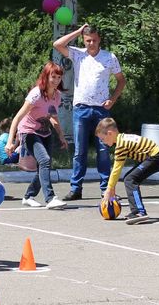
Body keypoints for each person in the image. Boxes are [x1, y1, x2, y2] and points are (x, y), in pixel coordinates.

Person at [53, 22, 127, 201]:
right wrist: (78, 31)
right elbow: (57, 44)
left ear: (99, 39)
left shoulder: (109, 57)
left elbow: (121, 80)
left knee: (103, 149)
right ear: (83, 40)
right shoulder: (79, 55)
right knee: (80, 150)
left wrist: (113, 99)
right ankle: (76, 188)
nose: (91, 44)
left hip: (101, 109)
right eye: (87, 40)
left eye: (94, 40)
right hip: (81, 108)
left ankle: (105, 188)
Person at [4, 62, 69, 208]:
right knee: (45, 160)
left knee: (44, 166)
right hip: (28, 132)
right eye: (53, 77)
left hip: (45, 133)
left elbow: (53, 116)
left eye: (59, 77)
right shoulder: (36, 94)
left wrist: (61, 136)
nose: (56, 80)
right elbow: (17, 118)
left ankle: (29, 196)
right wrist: (10, 142)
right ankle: (50, 198)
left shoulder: (57, 96)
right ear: (46, 76)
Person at [96, 117, 159, 225]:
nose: (102, 142)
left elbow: (116, 169)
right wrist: (112, 188)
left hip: (155, 158)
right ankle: (136, 211)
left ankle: (139, 212)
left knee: (130, 179)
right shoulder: (122, 139)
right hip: (153, 157)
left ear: (110, 133)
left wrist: (109, 189)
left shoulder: (121, 144)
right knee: (129, 177)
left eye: (103, 139)